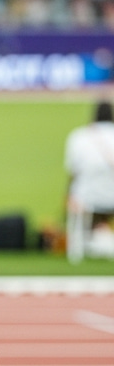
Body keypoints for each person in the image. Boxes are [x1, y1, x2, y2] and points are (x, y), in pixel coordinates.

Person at [64, 99, 114, 262]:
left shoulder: (79, 137)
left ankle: (76, 252)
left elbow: (73, 172)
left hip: (86, 197)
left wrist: (67, 195)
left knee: (76, 193)